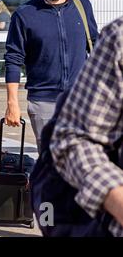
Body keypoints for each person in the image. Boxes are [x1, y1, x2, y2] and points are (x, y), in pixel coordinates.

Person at [4, 0, 98, 152]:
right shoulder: (25, 14)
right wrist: (12, 103)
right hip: (43, 101)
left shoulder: (82, 6)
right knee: (52, 163)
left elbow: (95, 46)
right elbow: (13, 59)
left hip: (80, 100)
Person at [50, 17, 123, 237]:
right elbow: (75, 139)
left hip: (76, 90)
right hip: (44, 95)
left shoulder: (78, 8)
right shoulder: (119, 37)